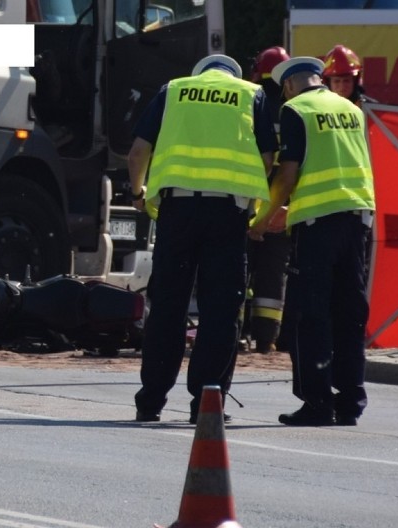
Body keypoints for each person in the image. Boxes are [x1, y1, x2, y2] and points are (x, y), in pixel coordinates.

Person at [128, 54, 277, 423]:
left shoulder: (173, 91)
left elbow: (138, 152)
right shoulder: (251, 94)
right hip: (228, 215)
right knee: (221, 310)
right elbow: (268, 157)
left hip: (177, 213)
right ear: (232, 74)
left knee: (167, 306)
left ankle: (151, 401)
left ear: (199, 74)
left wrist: (137, 192)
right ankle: (207, 402)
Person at [248, 56, 376, 427]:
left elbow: (288, 174)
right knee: (350, 313)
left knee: (311, 315)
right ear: (318, 78)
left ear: (288, 85)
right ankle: (351, 401)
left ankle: (316, 402)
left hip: (317, 226)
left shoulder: (295, 109)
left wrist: (262, 219)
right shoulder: (351, 110)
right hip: (357, 218)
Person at [244, 46, 292, 354]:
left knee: (238, 271)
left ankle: (233, 333)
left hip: (246, 206)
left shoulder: (249, 108)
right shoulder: (294, 111)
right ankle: (266, 338)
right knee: (273, 278)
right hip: (280, 210)